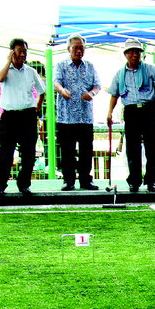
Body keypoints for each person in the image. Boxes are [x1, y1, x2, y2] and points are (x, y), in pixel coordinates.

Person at [107, 39, 155, 192]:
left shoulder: (150, 69)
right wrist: (109, 113)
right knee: (132, 148)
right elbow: (114, 94)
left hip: (149, 109)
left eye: (137, 51)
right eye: (131, 52)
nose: (134, 55)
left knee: (152, 147)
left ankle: (151, 181)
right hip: (131, 111)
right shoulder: (120, 74)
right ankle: (134, 181)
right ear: (126, 54)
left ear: (141, 54)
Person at [0, 38, 45, 196]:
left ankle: (24, 184)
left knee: (29, 153)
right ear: (12, 52)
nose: (22, 54)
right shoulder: (4, 70)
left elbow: (41, 91)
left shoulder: (31, 71)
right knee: (6, 153)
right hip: (9, 116)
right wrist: (8, 61)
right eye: (19, 51)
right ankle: (0, 185)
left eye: (25, 51)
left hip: (28, 115)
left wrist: (37, 107)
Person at [53, 33, 101, 191]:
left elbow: (97, 85)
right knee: (67, 151)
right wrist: (62, 90)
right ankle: (69, 181)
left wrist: (92, 94)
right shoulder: (61, 65)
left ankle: (86, 181)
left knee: (86, 151)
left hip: (85, 117)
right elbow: (56, 82)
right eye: (75, 48)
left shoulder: (91, 66)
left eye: (81, 48)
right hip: (66, 117)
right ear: (69, 49)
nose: (79, 51)